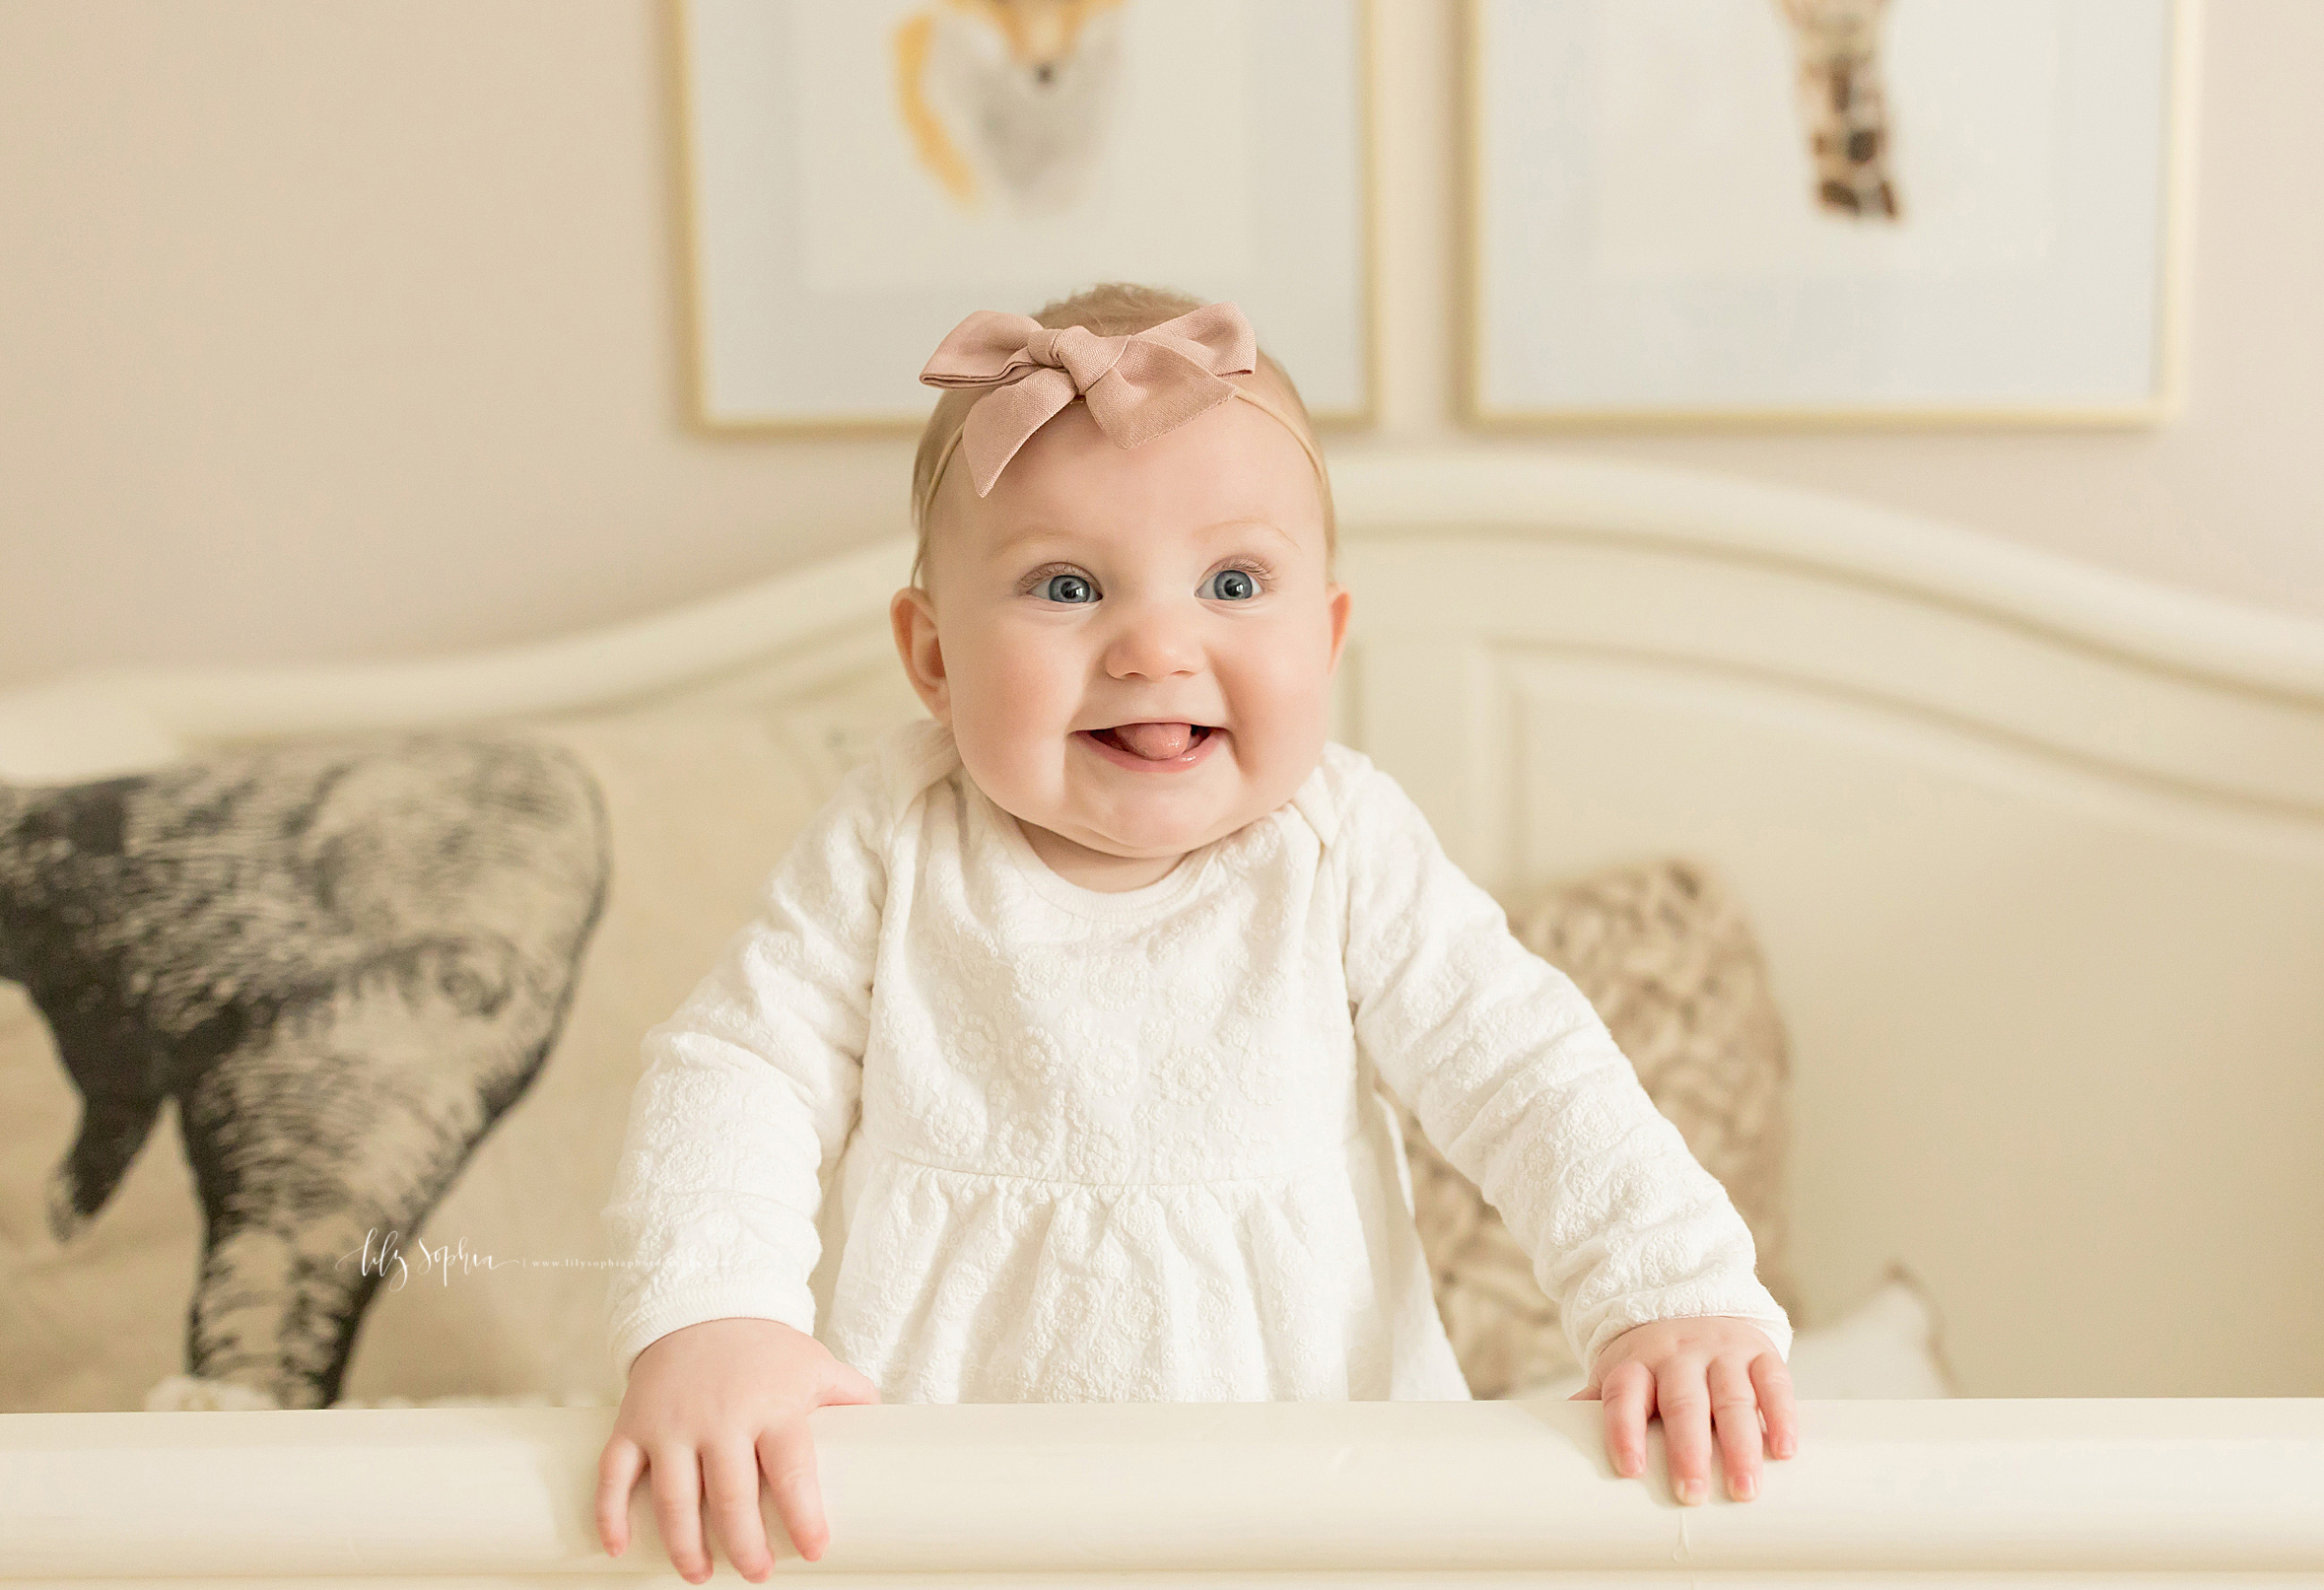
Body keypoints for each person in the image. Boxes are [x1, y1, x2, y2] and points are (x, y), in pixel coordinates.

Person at [594, 284, 1799, 1584]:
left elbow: (1523, 1068)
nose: (1156, 643)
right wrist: (717, 1316)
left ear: (1324, 640)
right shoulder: (897, 838)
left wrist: (1666, 1292)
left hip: (1328, 1487)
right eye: (1066, 584)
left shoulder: (1339, 847)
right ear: (932, 658)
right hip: (950, 1504)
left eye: (1232, 581)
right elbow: (743, 1064)